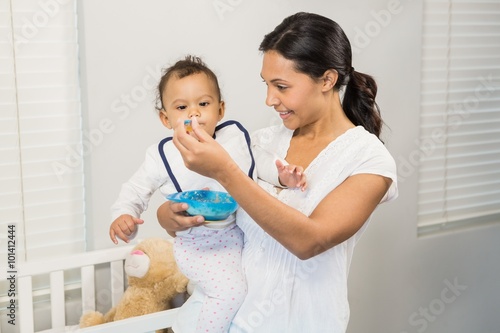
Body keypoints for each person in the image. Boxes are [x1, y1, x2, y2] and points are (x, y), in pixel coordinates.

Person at [157, 12, 398, 333]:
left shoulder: (369, 159)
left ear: (327, 80)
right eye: (267, 84)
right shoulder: (262, 143)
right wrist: (169, 216)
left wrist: (227, 171)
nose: (270, 99)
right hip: (231, 321)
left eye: (282, 86)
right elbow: (212, 212)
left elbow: (309, 241)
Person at [109, 55, 306, 333]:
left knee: (238, 293)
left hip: (236, 238)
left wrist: (283, 175)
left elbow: (258, 161)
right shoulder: (162, 155)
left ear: (221, 109)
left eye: (203, 104)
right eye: (181, 107)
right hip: (198, 244)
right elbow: (135, 189)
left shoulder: (234, 138)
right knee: (230, 292)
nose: (194, 114)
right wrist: (124, 215)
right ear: (166, 118)